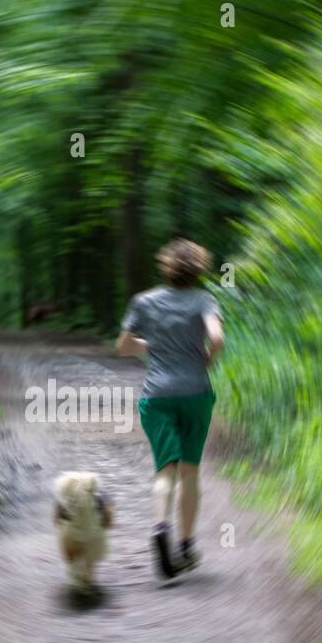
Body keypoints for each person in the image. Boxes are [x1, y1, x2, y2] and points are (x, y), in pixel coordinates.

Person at [115, 238, 224, 578]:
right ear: (198, 269)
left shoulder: (144, 301)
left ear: (166, 266)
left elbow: (122, 347)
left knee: (165, 471)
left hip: (157, 396)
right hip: (195, 393)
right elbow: (217, 338)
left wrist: (151, 344)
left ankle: (161, 526)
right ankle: (187, 546)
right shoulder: (204, 299)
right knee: (190, 472)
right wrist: (206, 359)